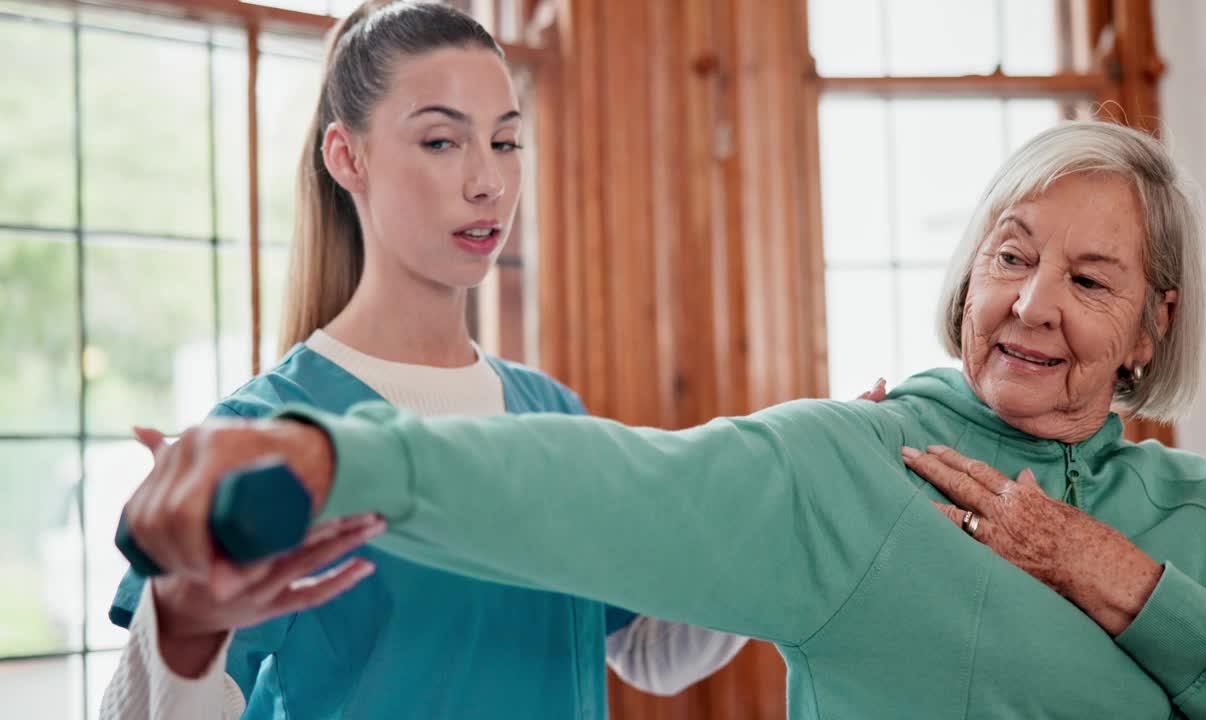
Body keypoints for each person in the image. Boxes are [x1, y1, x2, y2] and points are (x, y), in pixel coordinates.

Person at [116, 122, 1206, 719]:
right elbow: (602, 483)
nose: (1027, 304)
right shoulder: (871, 463)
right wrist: (336, 451)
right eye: (1008, 257)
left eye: (1086, 280)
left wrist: (1122, 584)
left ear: (1149, 326)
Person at [99, 2, 747, 718]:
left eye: (506, 142)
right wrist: (186, 630)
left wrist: (807, 487)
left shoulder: (552, 413)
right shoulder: (268, 433)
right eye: (442, 142)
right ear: (348, 157)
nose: (488, 182)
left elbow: (649, 650)